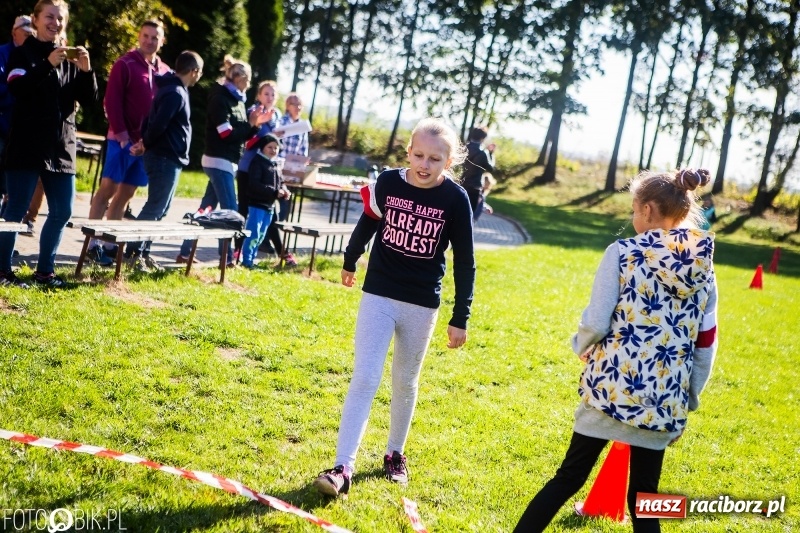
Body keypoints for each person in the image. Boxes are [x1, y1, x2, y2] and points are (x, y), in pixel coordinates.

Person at [513, 168, 719, 533]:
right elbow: (706, 342)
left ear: (650, 210)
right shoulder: (704, 265)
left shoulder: (621, 252)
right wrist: (688, 399)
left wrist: (581, 345)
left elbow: (596, 319)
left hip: (612, 387)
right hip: (662, 399)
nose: (633, 217)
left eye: (634, 209)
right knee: (645, 501)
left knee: (568, 477)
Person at [312, 118, 476, 497]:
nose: (424, 164)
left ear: (448, 163)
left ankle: (395, 454)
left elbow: (465, 261)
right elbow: (367, 222)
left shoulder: (455, 199)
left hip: (421, 304)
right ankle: (342, 467)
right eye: (419, 155)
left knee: (405, 382)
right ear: (408, 153)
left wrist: (460, 316)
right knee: (366, 377)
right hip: (379, 294)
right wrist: (350, 259)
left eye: (435, 159)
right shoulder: (386, 182)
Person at [0, 0, 97, 289]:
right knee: (15, 209)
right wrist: (47, 63)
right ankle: (3, 270)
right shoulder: (21, 54)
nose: (55, 22)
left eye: (60, 18)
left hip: (61, 146)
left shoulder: (69, 59)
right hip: (27, 143)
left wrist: (86, 70)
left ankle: (45, 272)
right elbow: (18, 88)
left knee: (62, 211)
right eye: (49, 17)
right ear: (36, 19)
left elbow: (90, 102)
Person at [86, 20, 170, 266]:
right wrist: (123, 138)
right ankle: (92, 244)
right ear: (139, 36)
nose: (149, 41)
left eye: (155, 37)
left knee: (126, 195)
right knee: (107, 190)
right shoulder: (125, 64)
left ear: (161, 41)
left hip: (145, 146)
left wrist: (149, 141)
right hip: (120, 141)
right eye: (145, 35)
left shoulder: (165, 72)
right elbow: (111, 102)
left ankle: (110, 246)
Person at [176, 55, 269, 265]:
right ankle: (226, 258)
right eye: (248, 80)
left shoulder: (237, 99)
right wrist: (251, 125)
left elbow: (242, 134)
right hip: (218, 160)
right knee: (230, 212)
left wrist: (255, 125)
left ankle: (184, 252)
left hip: (226, 161)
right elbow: (225, 134)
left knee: (206, 209)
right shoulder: (221, 98)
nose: (249, 84)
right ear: (240, 79)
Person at [123, 51, 204, 271]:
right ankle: (131, 254)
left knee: (162, 208)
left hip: (169, 158)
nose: (199, 77)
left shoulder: (172, 89)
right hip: (163, 158)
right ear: (194, 71)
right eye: (200, 72)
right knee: (155, 206)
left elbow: (150, 119)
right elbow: (157, 123)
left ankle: (143, 252)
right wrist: (145, 143)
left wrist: (145, 142)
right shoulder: (175, 92)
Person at [233, 80, 281, 260]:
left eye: (273, 94)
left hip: (269, 171)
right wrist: (261, 125)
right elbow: (246, 141)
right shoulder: (254, 112)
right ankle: (237, 249)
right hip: (249, 168)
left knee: (270, 213)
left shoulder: (278, 116)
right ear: (259, 96)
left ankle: (280, 252)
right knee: (244, 209)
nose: (270, 97)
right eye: (266, 94)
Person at [0, 15, 34, 222]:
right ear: (15, 32)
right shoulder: (3, 53)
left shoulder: (33, 56)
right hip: (2, 127)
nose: (30, 35)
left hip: (22, 131)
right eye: (26, 31)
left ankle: (5, 242)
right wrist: (20, 94)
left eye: (33, 32)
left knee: (13, 188)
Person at [239, 133, 288, 268]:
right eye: (270, 147)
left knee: (261, 236)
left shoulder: (276, 164)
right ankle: (246, 260)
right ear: (262, 148)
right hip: (257, 205)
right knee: (253, 233)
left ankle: (252, 259)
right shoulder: (258, 162)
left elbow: (281, 182)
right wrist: (274, 192)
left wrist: (284, 190)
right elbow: (254, 184)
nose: (273, 150)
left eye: (276, 148)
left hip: (269, 206)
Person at [461, 126, 496, 218]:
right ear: (482, 138)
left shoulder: (464, 148)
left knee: (459, 213)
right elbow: (491, 168)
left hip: (462, 184)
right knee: (470, 215)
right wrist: (491, 153)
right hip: (474, 188)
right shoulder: (482, 153)